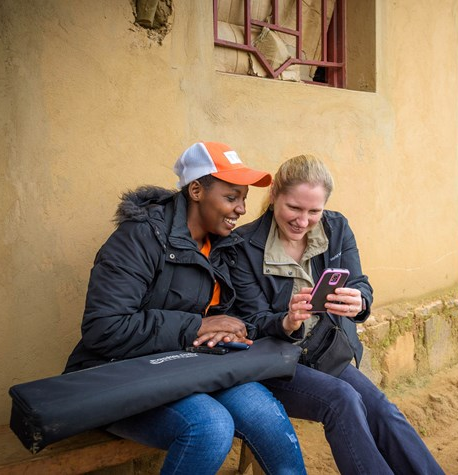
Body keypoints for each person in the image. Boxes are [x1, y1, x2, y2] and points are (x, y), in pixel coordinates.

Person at [63, 142, 307, 475]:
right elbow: (104, 328)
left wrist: (280, 324)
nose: (242, 209)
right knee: (209, 426)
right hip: (121, 373)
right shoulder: (138, 239)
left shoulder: (222, 246)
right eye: (231, 197)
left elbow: (233, 319)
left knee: (264, 413)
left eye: (244, 198)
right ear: (196, 190)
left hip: (192, 367)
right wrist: (195, 327)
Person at [230, 154, 445, 475]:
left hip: (323, 350)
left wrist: (359, 301)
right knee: (343, 399)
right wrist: (286, 321)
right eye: (294, 208)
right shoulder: (241, 246)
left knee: (384, 412)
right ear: (274, 194)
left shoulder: (336, 227)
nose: (303, 220)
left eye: (313, 211)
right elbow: (250, 322)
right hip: (272, 361)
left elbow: (360, 283)